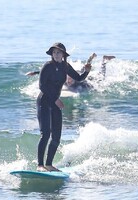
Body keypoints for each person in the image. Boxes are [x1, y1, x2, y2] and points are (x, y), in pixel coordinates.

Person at [36, 42, 92, 172]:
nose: (56, 55)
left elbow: (78, 78)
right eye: (54, 52)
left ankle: (49, 164)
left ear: (63, 55)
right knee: (45, 134)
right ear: (52, 54)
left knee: (56, 135)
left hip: (55, 103)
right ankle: (40, 165)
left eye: (58, 52)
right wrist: (55, 99)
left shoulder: (65, 66)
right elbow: (42, 86)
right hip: (44, 101)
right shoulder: (47, 66)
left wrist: (86, 72)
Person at [26, 55, 115, 93]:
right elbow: (49, 72)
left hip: (86, 78)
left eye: (70, 80)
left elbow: (84, 70)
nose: (69, 82)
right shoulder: (64, 79)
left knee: (101, 78)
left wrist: (90, 59)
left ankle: (104, 60)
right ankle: (97, 59)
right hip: (75, 72)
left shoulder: (79, 81)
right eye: (68, 80)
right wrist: (35, 72)